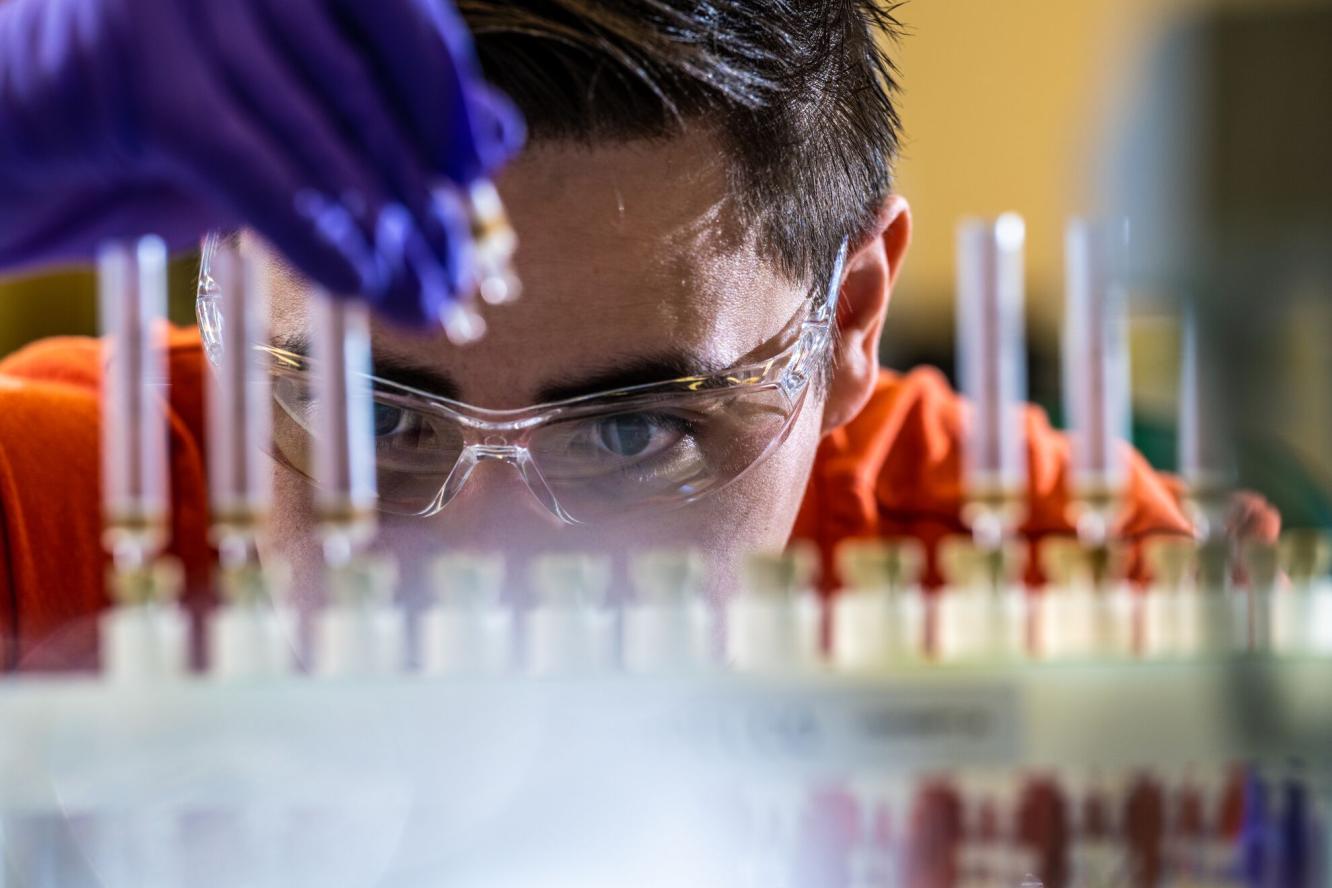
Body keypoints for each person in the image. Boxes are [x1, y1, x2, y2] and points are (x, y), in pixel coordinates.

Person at [0, 0, 1275, 672]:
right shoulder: (43, 526)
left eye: (631, 433)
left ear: (849, 323)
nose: (479, 576)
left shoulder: (1056, 605)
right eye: (374, 419)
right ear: (217, 282)